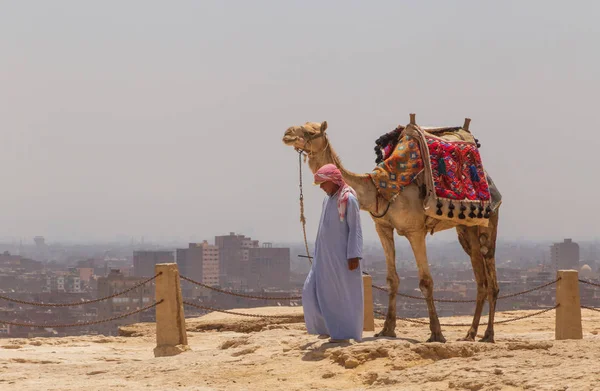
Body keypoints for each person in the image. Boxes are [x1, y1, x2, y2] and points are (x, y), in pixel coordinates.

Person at [302, 164, 364, 343]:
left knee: (341, 296)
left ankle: (345, 333)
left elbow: (355, 229)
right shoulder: (328, 199)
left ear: (332, 181)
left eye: (323, 183)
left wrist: (354, 254)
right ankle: (326, 328)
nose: (321, 187)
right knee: (311, 290)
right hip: (324, 257)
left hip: (342, 258)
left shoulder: (348, 199)